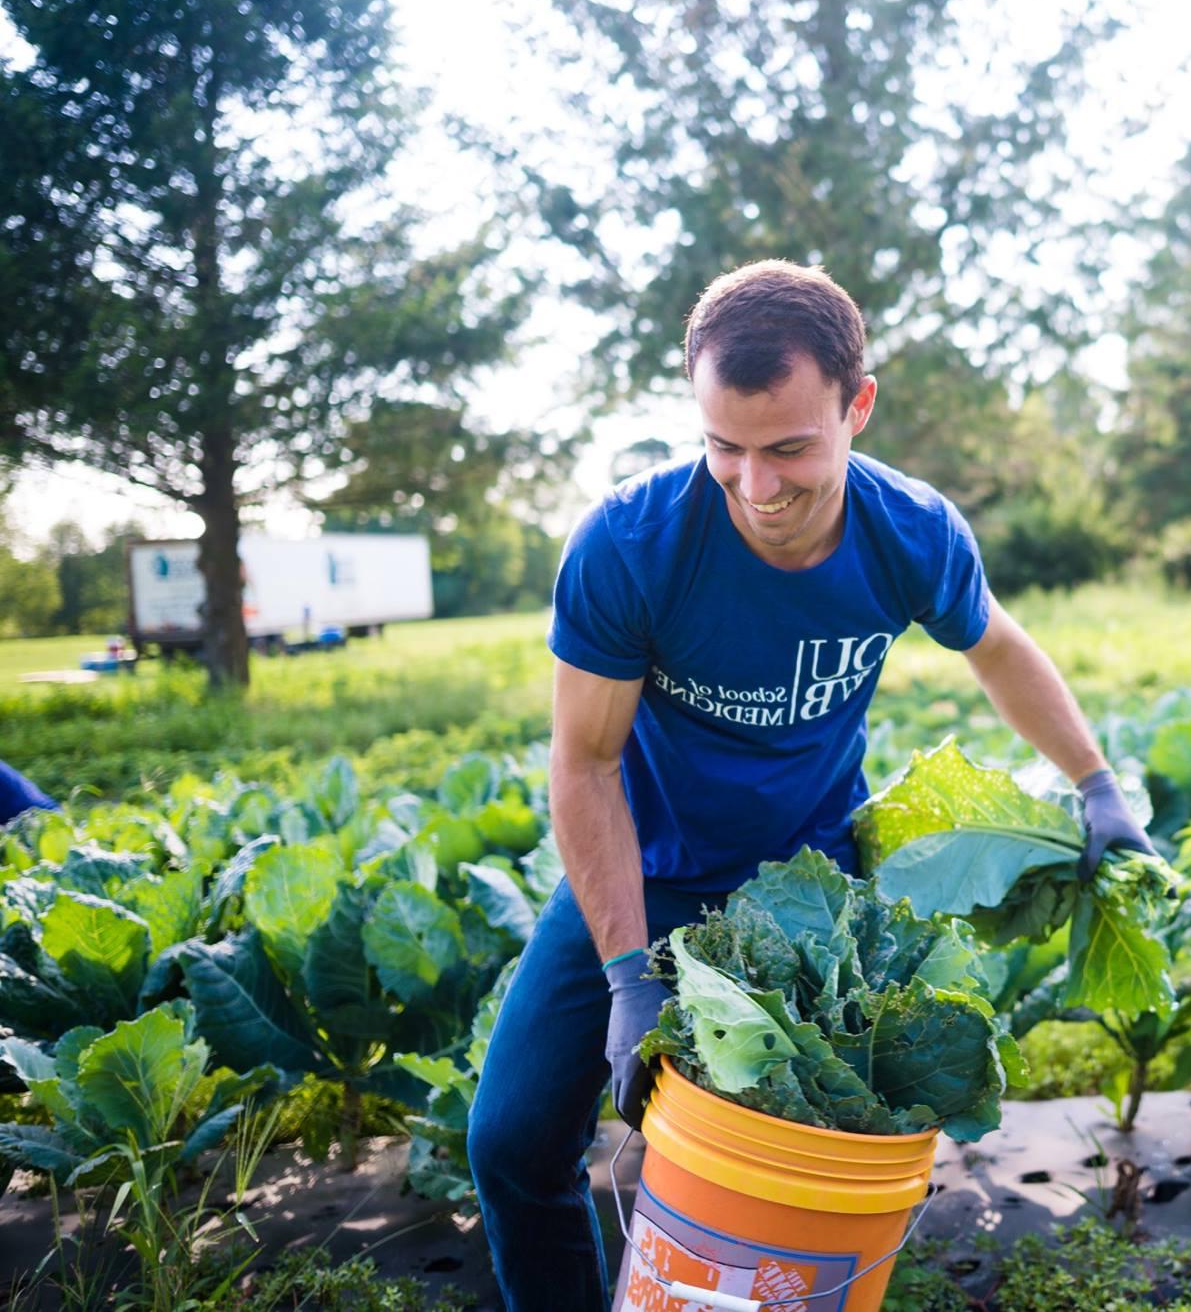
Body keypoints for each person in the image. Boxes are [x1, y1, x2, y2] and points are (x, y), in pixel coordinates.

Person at [467, 260, 1155, 1310]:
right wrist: (622, 970)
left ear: (856, 406)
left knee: (783, 1173)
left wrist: (1097, 784)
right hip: (640, 871)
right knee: (511, 1141)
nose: (756, 486)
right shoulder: (630, 543)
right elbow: (585, 759)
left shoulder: (909, 530)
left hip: (811, 889)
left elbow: (1000, 646)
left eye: (790, 447)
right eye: (723, 448)